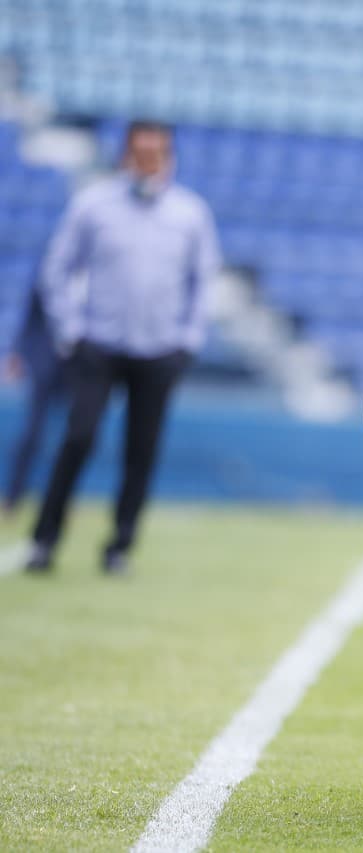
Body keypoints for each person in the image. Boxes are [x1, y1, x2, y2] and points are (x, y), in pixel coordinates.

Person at [24, 120, 221, 574]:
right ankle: (44, 540)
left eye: (157, 154)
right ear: (126, 155)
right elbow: (57, 268)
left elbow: (201, 281)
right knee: (79, 438)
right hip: (99, 344)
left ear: (168, 157)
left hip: (158, 351)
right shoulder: (93, 205)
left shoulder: (190, 214)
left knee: (141, 450)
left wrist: (187, 340)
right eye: (140, 153)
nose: (148, 163)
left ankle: (119, 547)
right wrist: (70, 329)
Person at [3, 273, 68, 515]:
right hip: (45, 366)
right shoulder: (48, 277)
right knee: (33, 433)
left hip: (80, 368)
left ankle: (60, 500)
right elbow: (29, 320)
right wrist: (18, 354)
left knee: (74, 437)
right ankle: (14, 495)